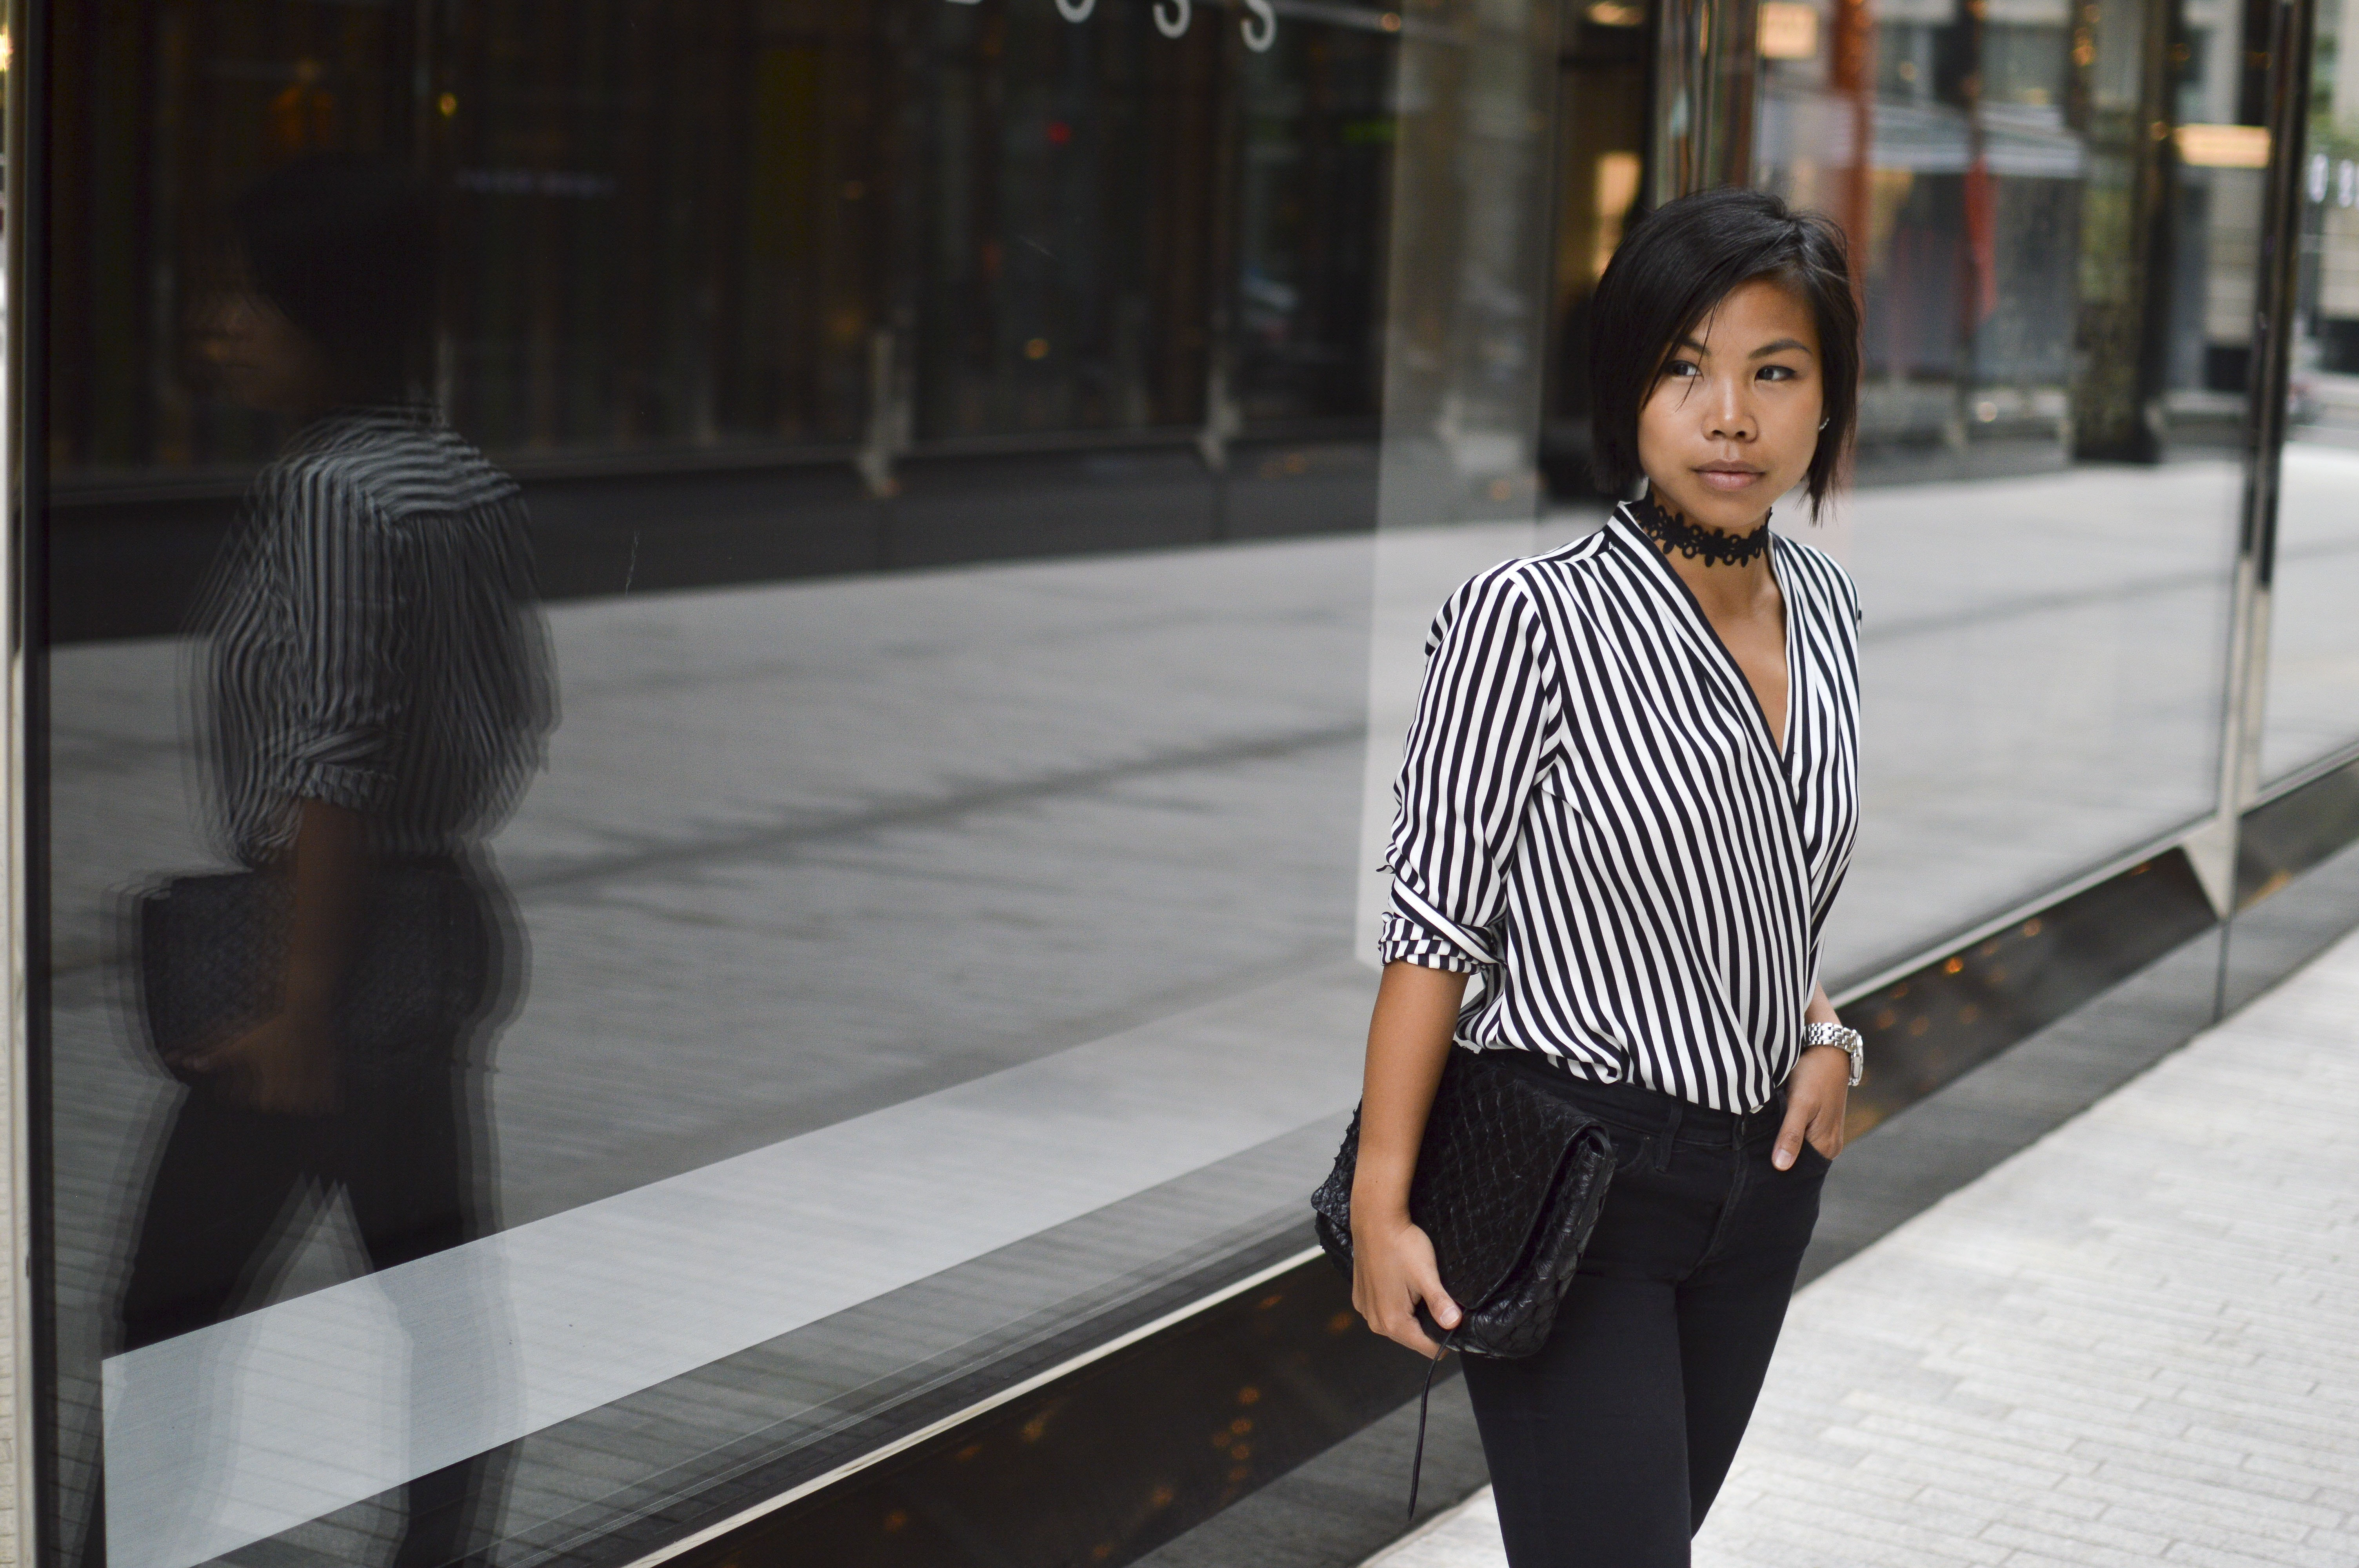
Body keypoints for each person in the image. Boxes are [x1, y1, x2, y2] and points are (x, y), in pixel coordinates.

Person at [1348, 187, 1865, 1567]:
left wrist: (1821, 1026)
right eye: (1683, 369)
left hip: (1758, 1188)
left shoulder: (1832, 611)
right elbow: (1433, 927)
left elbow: (1767, 874)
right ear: (1626, 392)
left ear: (1827, 402)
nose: (1730, 417)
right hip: (1578, 1185)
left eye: (1775, 372)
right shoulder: (1529, 620)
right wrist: (1381, 1208)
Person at [105, 153, 553, 1568]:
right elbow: (516, 708)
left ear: (331, 316)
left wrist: (299, 1010)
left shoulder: (332, 494)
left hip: (329, 957)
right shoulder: (453, 473)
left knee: (165, 1322)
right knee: (438, 1307)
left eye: (251, 294)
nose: (221, 320)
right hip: (432, 932)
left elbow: (331, 761)